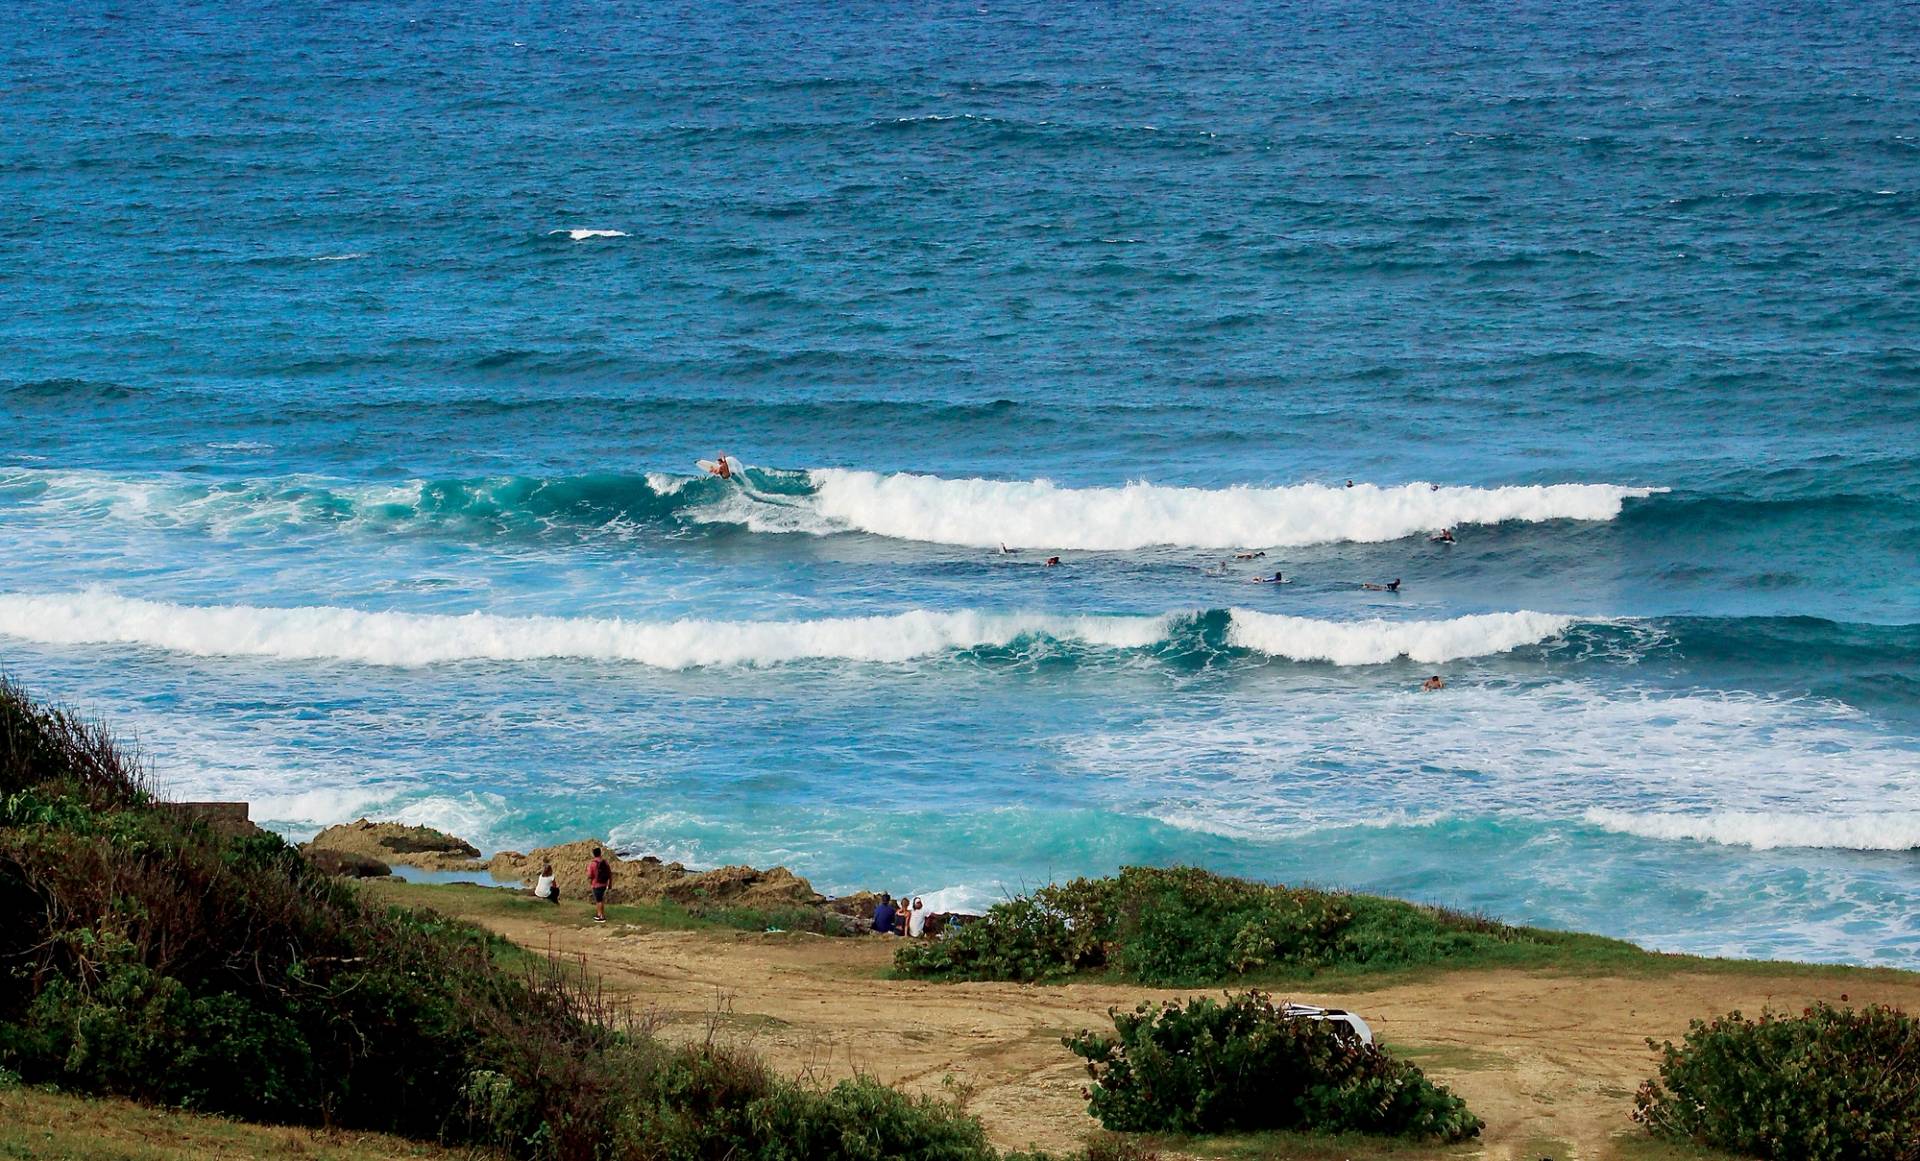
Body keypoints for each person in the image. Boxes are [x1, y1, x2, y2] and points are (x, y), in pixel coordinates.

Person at [586, 847, 613, 923]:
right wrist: (610, 883)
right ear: (600, 853)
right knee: (600, 899)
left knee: (599, 900)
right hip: (604, 883)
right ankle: (600, 914)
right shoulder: (605, 862)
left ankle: (600, 916)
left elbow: (589, 875)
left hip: (596, 884)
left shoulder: (593, 863)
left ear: (593, 854)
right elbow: (610, 873)